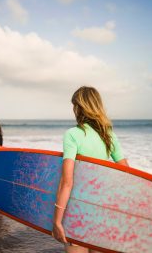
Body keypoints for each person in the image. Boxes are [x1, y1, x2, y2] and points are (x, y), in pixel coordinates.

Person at [52, 86, 129, 253]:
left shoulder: (72, 134)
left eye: (74, 105)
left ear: (80, 107)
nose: (73, 110)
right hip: (104, 214)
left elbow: (67, 182)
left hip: (78, 214)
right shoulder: (108, 134)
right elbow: (126, 173)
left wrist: (57, 221)